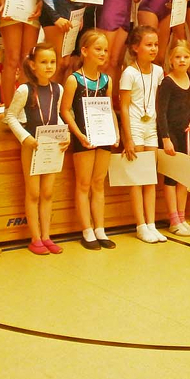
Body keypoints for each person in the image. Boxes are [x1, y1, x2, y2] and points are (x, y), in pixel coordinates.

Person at [5, 42, 70, 255]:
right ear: (33, 65)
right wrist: (25, 138)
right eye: (43, 62)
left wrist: (64, 134)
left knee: (48, 193)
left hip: (52, 146)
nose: (49, 66)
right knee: (33, 193)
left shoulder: (58, 89)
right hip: (32, 146)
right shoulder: (24, 90)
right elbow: (10, 116)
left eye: (52, 62)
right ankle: (35, 238)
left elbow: (56, 115)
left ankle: (46, 236)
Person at [61, 31, 117, 249]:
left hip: (103, 135)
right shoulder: (73, 80)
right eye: (98, 49)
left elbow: (109, 108)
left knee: (99, 182)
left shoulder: (107, 80)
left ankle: (100, 229)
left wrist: (116, 132)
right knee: (84, 184)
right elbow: (65, 110)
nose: (103, 53)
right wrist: (79, 134)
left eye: (105, 50)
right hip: (84, 136)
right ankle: (86, 230)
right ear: (84, 51)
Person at [119, 26, 166, 245]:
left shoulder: (158, 71)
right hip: (135, 126)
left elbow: (158, 102)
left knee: (150, 177)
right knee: (137, 178)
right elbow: (124, 107)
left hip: (151, 126)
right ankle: (140, 225)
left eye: (156, 44)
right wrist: (127, 138)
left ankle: (151, 224)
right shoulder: (129, 73)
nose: (154, 48)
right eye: (148, 44)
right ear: (136, 48)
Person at [157, 39, 190, 236]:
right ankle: (173, 220)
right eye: (178, 57)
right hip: (171, 135)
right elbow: (161, 112)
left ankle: (181, 217)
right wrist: (165, 138)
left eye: (185, 57)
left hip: (185, 134)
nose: (182, 60)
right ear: (171, 60)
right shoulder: (167, 82)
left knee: (184, 177)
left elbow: (189, 106)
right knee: (172, 178)